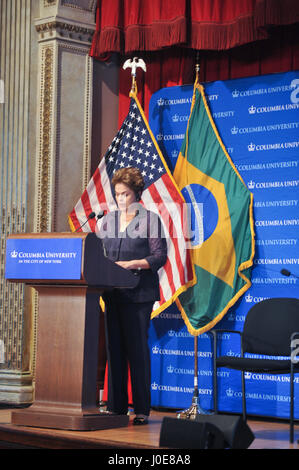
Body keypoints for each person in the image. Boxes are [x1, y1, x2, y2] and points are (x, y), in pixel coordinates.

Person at [98, 167, 167, 425]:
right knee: (114, 350)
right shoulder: (107, 221)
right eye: (117, 194)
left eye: (125, 194)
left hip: (139, 294)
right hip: (112, 294)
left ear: (137, 194)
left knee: (136, 351)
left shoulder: (149, 220)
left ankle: (141, 410)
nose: (121, 199)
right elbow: (99, 254)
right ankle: (116, 408)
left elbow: (159, 256)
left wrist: (133, 263)